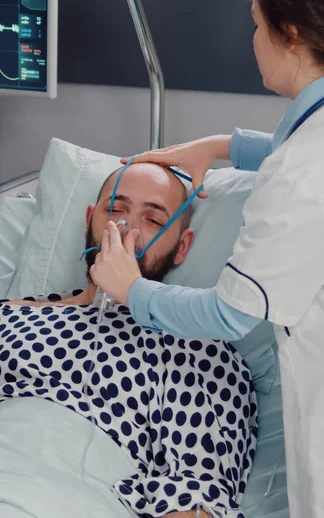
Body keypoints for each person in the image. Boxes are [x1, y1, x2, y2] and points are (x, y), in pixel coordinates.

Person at [89, 0, 324, 518]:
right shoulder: (317, 133)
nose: (252, 40)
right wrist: (220, 147)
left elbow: (230, 315)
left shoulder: (302, 176)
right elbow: (293, 142)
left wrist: (133, 291)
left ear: (292, 33)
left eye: (257, 24)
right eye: (117, 207)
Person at [0, 162, 258, 518]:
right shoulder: (10, 315)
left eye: (153, 220)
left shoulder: (196, 349)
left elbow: (197, 494)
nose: (126, 229)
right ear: (90, 220)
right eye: (115, 210)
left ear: (182, 247)